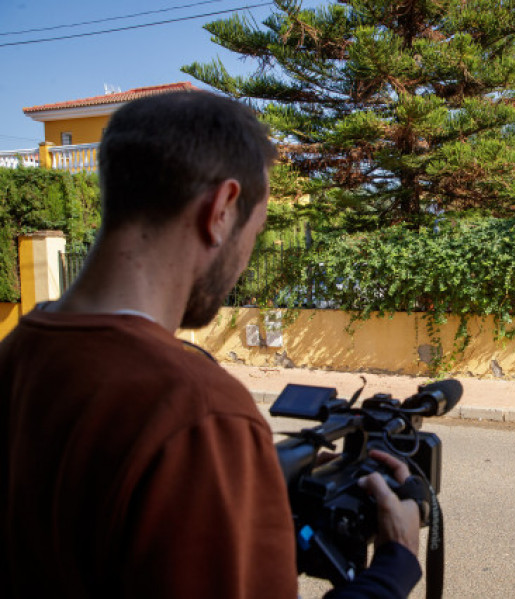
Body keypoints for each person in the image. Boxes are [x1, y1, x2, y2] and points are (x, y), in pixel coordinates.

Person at [0, 91, 421, 598]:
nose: (246, 258)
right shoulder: (198, 413)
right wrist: (394, 565)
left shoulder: (19, 354)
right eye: (256, 231)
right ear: (221, 209)